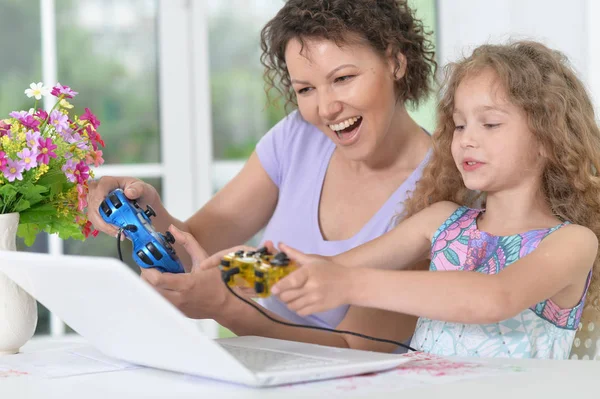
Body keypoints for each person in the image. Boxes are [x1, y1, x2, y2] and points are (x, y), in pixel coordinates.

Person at [86, 0, 435, 353]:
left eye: (343, 78)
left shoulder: (439, 192)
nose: (326, 108)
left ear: (395, 61)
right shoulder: (298, 138)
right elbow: (196, 248)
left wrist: (228, 308)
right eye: (305, 89)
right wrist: (148, 210)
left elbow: (355, 350)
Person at [263, 40, 600, 359]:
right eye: (459, 125)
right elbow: (334, 268)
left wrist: (350, 285)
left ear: (548, 138)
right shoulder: (441, 221)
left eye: (491, 124)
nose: (467, 139)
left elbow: (495, 298)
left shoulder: (572, 242)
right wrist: (245, 274)